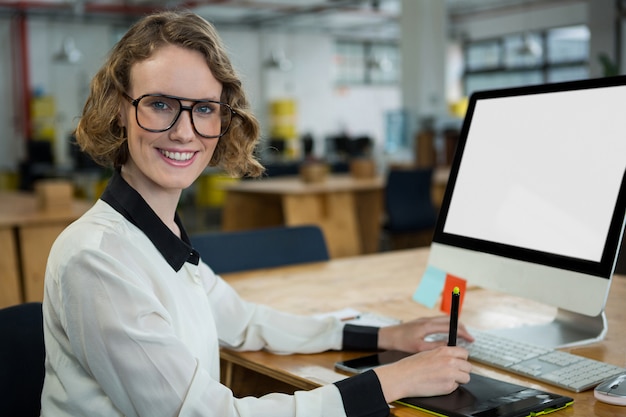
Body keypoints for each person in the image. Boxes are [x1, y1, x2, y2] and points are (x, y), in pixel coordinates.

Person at [40, 10, 474, 417]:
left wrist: (385, 337)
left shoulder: (157, 233)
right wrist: (385, 382)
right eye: (160, 104)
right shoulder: (97, 259)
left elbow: (246, 322)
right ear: (121, 107)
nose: (184, 131)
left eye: (205, 109)